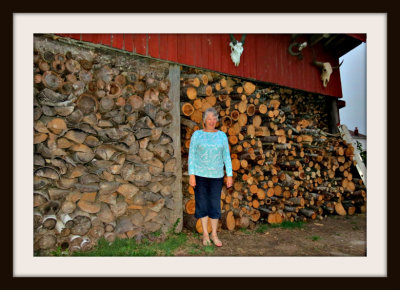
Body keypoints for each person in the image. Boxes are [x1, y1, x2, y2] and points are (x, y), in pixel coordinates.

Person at [188, 107, 233, 247]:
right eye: (209, 119)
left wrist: (229, 175)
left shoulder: (222, 136)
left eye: (214, 118)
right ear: (204, 121)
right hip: (200, 176)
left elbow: (226, 156)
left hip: (216, 176)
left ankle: (214, 234)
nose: (212, 121)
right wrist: (191, 175)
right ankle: (205, 235)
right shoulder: (197, 135)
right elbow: (192, 156)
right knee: (202, 204)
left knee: (214, 204)